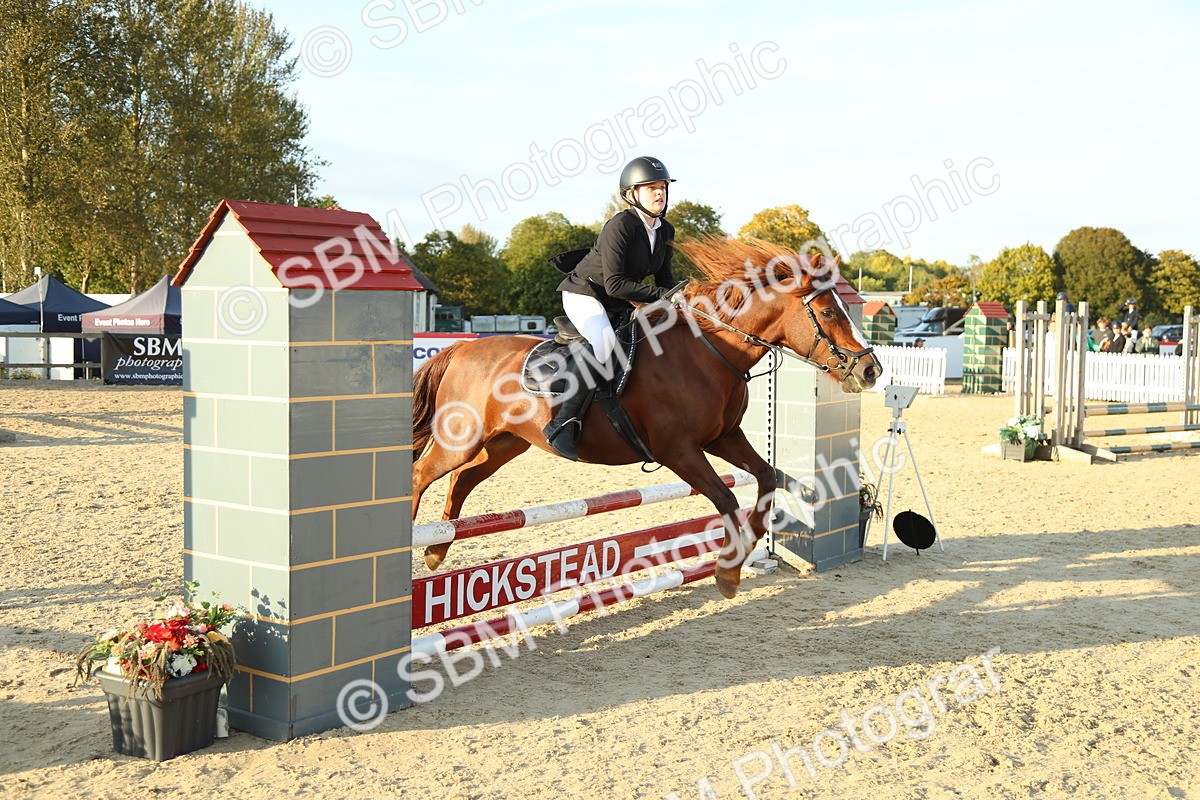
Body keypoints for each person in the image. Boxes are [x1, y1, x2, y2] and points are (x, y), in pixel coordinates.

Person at [543, 156, 683, 460]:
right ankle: (562, 424)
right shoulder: (621, 225)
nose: (659, 193)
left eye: (662, 187)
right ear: (632, 194)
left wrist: (680, 297)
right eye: (651, 188)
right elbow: (616, 284)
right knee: (605, 343)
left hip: (619, 299)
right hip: (586, 294)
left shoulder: (665, 230)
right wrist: (662, 295)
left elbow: (665, 280)